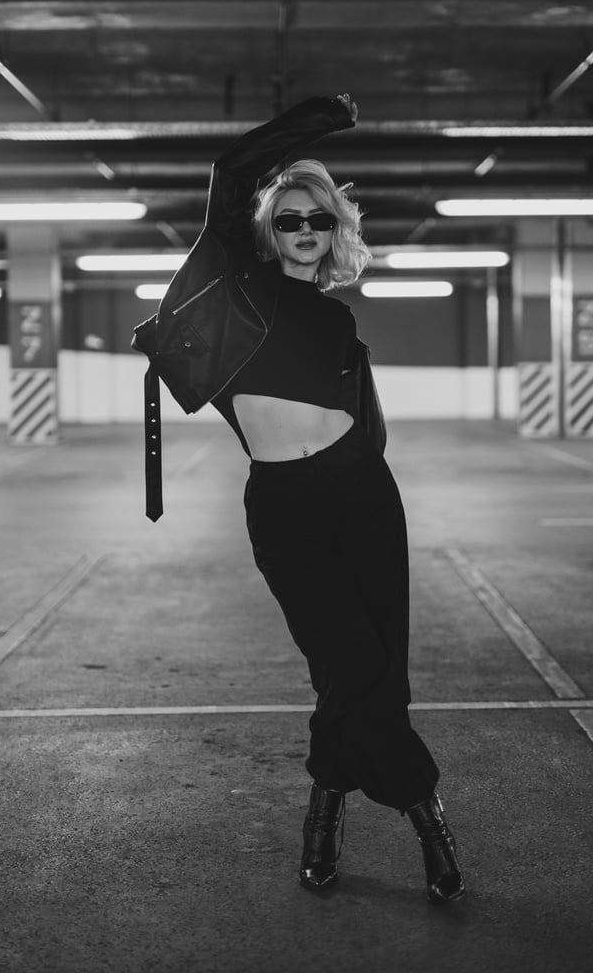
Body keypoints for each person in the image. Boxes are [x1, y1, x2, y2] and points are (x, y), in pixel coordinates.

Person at [147, 94, 465, 904]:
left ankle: (324, 809)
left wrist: (364, 470)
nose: (302, 231)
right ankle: (426, 811)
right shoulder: (240, 288)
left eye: (317, 221)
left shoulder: (339, 320)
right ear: (267, 230)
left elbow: (370, 425)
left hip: (364, 497)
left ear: (334, 234)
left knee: (372, 672)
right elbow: (230, 174)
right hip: (285, 505)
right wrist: (316, 122)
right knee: (350, 660)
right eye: (288, 219)